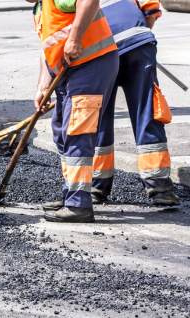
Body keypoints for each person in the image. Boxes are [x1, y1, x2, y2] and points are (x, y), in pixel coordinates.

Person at [29, 0, 119, 222]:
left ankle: (79, 204)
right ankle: (71, 193)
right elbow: (48, 51)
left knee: (77, 132)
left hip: (90, 64)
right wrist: (42, 88)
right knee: (61, 129)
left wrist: (76, 38)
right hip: (70, 70)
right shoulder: (41, 8)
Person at [87, 0, 180, 206]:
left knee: (99, 116)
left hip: (99, 49)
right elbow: (151, 11)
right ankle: (160, 187)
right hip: (138, 42)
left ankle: (96, 186)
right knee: (146, 110)